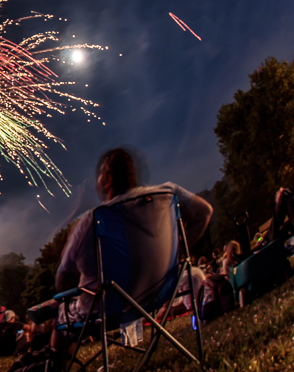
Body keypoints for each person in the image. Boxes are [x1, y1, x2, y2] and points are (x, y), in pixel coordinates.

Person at [41, 148, 212, 368]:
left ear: (108, 177)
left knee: (61, 319)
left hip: (108, 309)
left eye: (100, 175)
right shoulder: (168, 193)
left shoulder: (91, 220)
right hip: (160, 292)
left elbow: (62, 281)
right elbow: (205, 212)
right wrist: (178, 250)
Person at [271, 132, 294, 241]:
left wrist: (283, 197)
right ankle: (266, 243)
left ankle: (268, 241)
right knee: (284, 228)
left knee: (284, 199)